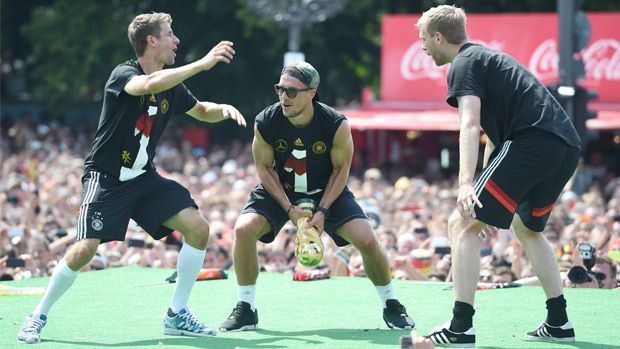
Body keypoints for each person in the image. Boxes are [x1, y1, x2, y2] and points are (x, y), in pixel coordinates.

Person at [17, 12, 246, 344]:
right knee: (85, 249)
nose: (177, 40)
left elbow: (200, 110)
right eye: (170, 34)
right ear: (151, 41)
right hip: (106, 177)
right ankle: (36, 316)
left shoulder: (172, 85)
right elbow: (148, 85)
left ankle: (176, 313)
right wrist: (203, 63)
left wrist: (221, 108)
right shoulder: (124, 74)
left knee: (198, 228)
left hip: (143, 179)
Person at [416, 5, 581, 347]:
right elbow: (493, 135)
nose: (422, 47)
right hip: (564, 146)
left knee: (460, 223)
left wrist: (465, 186)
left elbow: (469, 123)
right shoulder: (488, 60)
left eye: (423, 39)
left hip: (532, 142)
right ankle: (559, 320)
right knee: (526, 228)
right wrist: (487, 195)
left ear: (438, 36)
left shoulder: (463, 63)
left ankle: (460, 327)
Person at [218, 61, 414, 332]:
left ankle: (391, 303)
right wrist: (288, 208)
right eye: (280, 90)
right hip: (281, 189)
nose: (284, 97)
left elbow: (341, 169)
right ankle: (246, 308)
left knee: (367, 239)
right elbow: (263, 168)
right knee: (243, 229)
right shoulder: (266, 121)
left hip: (327, 190)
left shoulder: (335, 124)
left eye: (292, 91)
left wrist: (322, 211)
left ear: (311, 93)